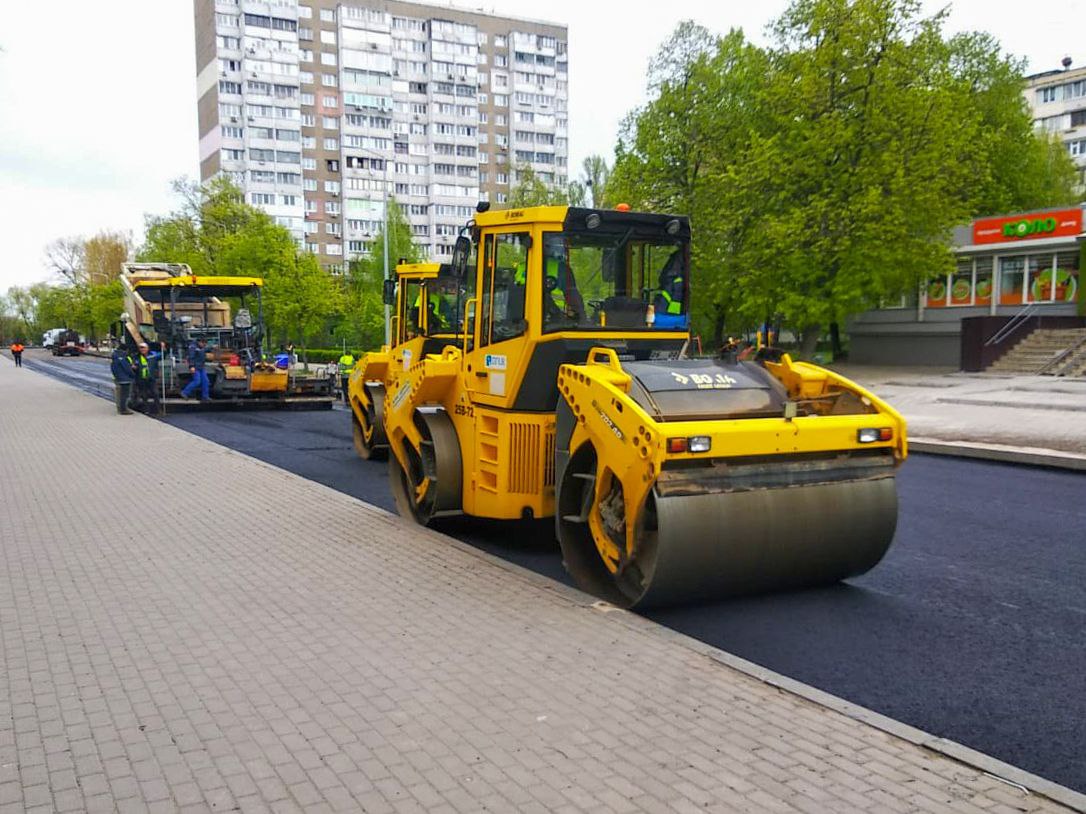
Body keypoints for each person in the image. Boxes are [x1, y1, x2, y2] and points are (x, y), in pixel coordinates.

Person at [130, 342, 161, 415]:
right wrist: (133, 367)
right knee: (144, 395)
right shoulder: (136, 357)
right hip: (141, 378)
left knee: (155, 393)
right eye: (141, 348)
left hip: (151, 378)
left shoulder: (152, 355)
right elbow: (132, 364)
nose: (142, 349)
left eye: (143, 348)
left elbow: (163, 355)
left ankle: (159, 410)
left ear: (147, 348)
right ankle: (146, 410)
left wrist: (163, 347)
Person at [110, 345, 136, 415]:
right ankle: (124, 409)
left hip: (118, 378)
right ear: (125, 350)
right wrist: (133, 374)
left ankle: (120, 408)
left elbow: (113, 368)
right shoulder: (122, 358)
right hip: (125, 379)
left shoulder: (115, 357)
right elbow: (127, 369)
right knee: (125, 395)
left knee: (120, 394)